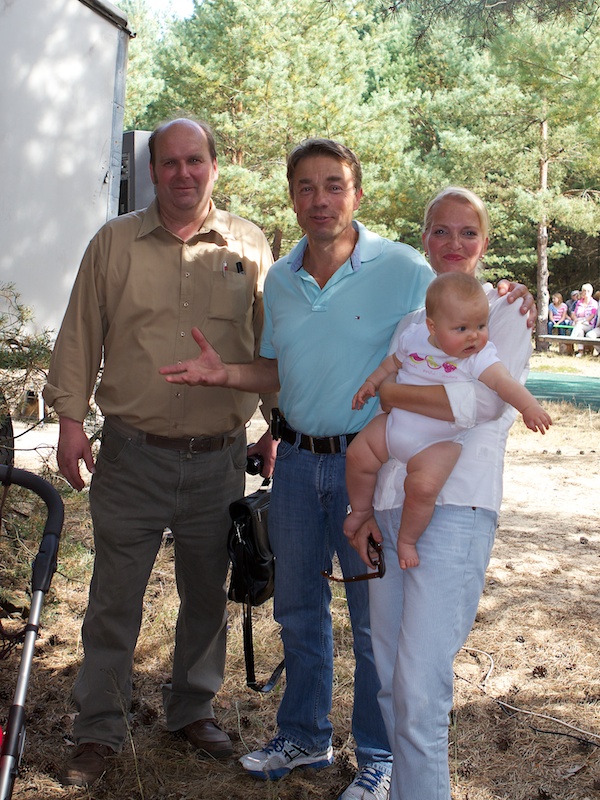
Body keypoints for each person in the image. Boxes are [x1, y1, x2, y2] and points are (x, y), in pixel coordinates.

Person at [160, 150, 533, 800]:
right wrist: (228, 376)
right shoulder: (282, 279)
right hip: (308, 465)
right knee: (301, 609)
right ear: (292, 197)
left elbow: (465, 325)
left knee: (377, 632)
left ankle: (380, 759)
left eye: (334, 185)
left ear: (357, 195)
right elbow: (283, 367)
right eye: (306, 187)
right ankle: (304, 734)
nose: (320, 199)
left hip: (383, 469)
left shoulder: (408, 270)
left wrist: (509, 294)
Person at [42, 118, 277, 787]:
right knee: (114, 599)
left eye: (194, 160)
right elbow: (80, 332)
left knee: (206, 594)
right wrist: (69, 421)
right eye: (169, 162)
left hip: (218, 461)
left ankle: (192, 710)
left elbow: (272, 344)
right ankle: (99, 727)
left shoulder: (249, 245)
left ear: (213, 166)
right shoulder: (113, 243)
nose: (183, 174)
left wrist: (278, 426)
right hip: (131, 456)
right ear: (152, 171)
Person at [345, 187, 535, 800]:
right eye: (441, 231)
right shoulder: (414, 323)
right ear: (424, 239)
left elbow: (481, 404)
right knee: (389, 679)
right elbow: (393, 410)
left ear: (485, 242)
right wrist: (365, 510)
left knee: (420, 688)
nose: (454, 243)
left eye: (468, 232)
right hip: (392, 503)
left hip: (456, 506)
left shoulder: (506, 313)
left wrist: (394, 394)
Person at [344, 272, 551, 570]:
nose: (474, 336)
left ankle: (407, 540)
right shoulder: (414, 336)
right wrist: (371, 383)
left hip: (436, 442)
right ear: (432, 327)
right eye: (462, 328)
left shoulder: (478, 357)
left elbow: (503, 384)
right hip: (394, 426)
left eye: (481, 326)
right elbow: (391, 364)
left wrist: (529, 407)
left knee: (423, 488)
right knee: (357, 455)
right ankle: (361, 510)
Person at [570, 283, 598, 355]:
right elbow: (573, 313)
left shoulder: (594, 303)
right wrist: (575, 319)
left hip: (590, 324)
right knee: (580, 330)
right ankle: (581, 351)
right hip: (579, 323)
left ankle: (571, 339)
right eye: (584, 291)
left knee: (579, 326)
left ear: (591, 292)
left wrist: (583, 321)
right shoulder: (578, 302)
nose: (586, 292)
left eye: (588, 291)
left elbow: (592, 315)